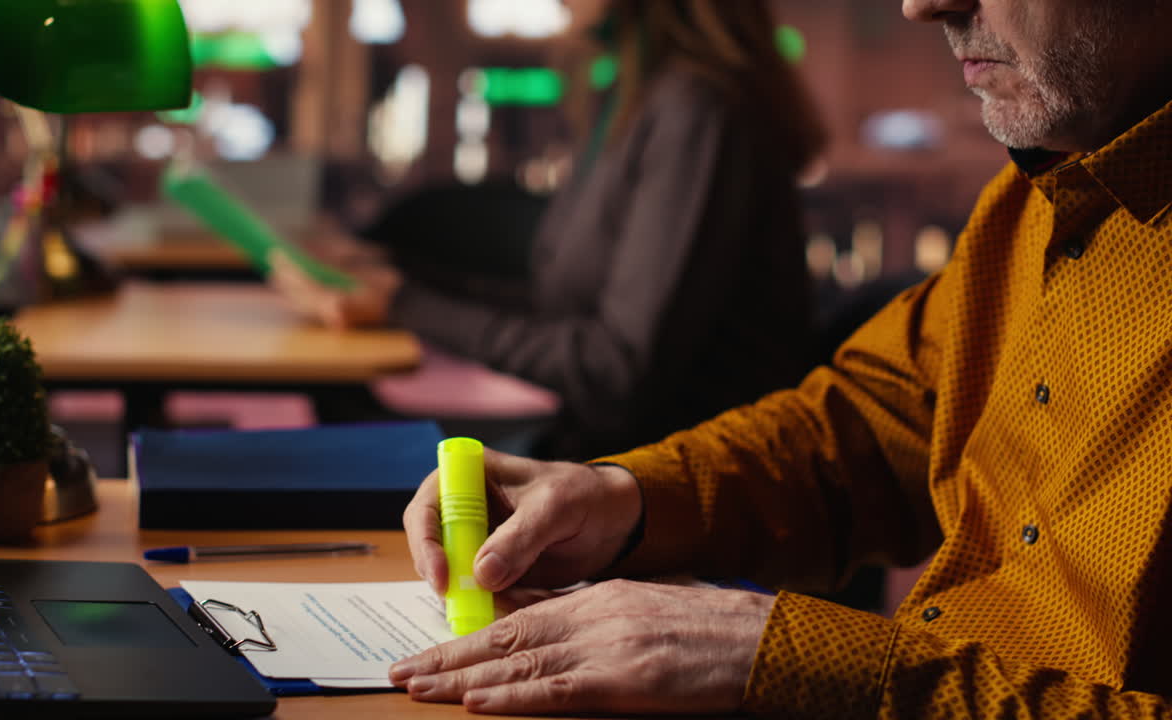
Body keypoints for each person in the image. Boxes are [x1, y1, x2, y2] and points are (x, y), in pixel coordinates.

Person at [385, 0, 1172, 716]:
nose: (921, 5)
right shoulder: (1031, 200)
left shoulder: (696, 103)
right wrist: (625, 498)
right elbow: (863, 429)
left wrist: (787, 658)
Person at [271, 0, 826, 460]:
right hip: (613, 454)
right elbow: (568, 308)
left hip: (667, 479)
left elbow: (615, 371)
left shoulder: (699, 108)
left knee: (328, 455)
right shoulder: (640, 96)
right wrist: (390, 283)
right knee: (335, 436)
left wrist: (405, 304)